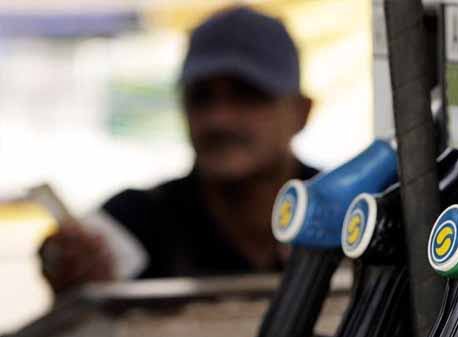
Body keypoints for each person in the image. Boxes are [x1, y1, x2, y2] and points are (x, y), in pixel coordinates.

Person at [39, 6, 316, 293]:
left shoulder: (340, 210)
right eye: (201, 97)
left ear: (301, 112)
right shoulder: (140, 220)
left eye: (248, 95)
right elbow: (71, 256)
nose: (219, 119)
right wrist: (65, 259)